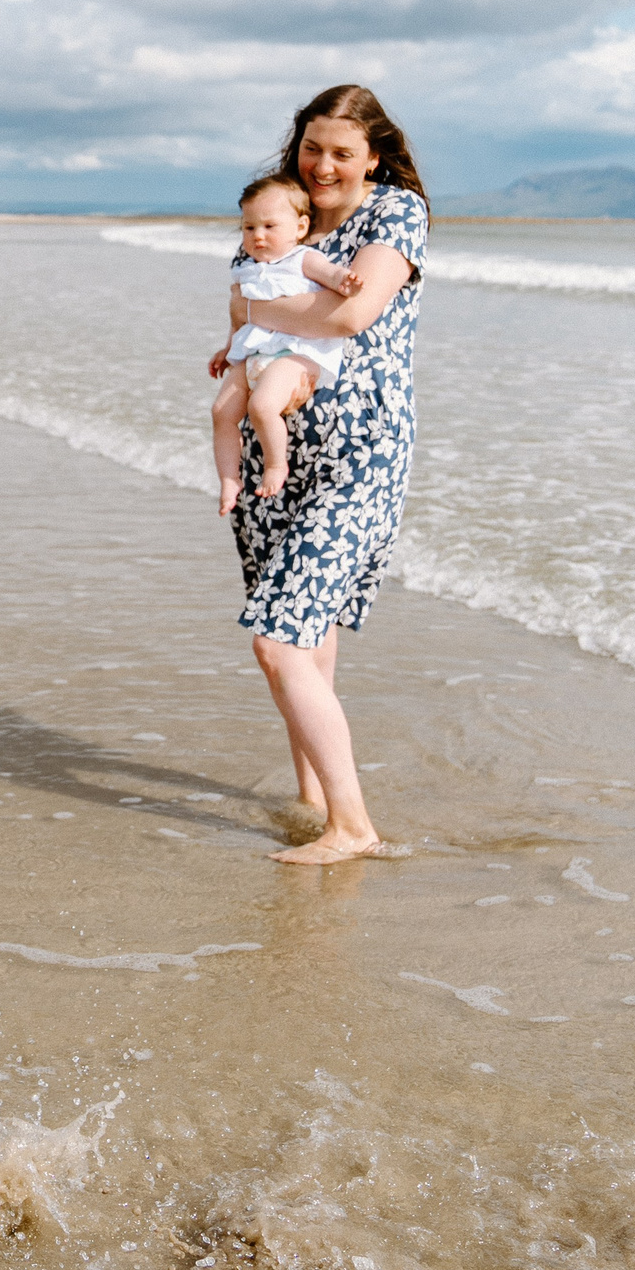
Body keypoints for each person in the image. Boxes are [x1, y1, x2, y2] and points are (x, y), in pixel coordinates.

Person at [218, 85, 430, 865]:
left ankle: (353, 826)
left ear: (373, 154)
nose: (324, 165)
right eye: (313, 147)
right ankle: (314, 803)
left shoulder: (395, 214)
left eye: (343, 151)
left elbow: (348, 316)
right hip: (278, 455)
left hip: (361, 452)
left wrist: (259, 310)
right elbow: (232, 308)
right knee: (309, 642)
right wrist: (250, 311)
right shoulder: (278, 215)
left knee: (277, 638)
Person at [208, 175, 360, 515]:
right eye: (249, 228)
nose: (258, 235)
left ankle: (277, 465)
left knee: (262, 407)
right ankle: (229, 478)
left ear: (300, 226)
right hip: (253, 354)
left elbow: (330, 274)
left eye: (269, 226)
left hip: (296, 353)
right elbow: (240, 318)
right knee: (221, 412)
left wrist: (344, 280)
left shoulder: (301, 258)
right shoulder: (246, 271)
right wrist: (227, 347)